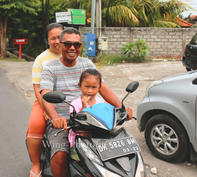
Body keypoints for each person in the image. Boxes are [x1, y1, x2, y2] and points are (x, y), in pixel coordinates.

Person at [40, 28, 133, 177]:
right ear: (60, 45)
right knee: (60, 154)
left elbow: (102, 87)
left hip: (94, 119)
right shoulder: (50, 67)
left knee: (118, 147)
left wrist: (121, 108)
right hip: (65, 122)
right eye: (68, 43)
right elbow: (45, 93)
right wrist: (55, 117)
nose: (72, 47)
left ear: (81, 46)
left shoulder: (87, 64)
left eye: (76, 44)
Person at [27, 23, 63, 177]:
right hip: (44, 100)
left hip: (69, 100)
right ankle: (36, 164)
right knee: (35, 125)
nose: (57, 41)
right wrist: (47, 109)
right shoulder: (41, 60)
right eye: (52, 38)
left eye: (59, 37)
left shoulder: (73, 54)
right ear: (47, 40)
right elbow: (37, 89)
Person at [68, 69, 104, 148]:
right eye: (86, 86)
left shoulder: (100, 102)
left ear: (99, 88)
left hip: (97, 136)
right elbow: (75, 120)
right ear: (80, 85)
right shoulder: (74, 104)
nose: (90, 91)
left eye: (94, 87)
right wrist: (84, 106)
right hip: (80, 138)